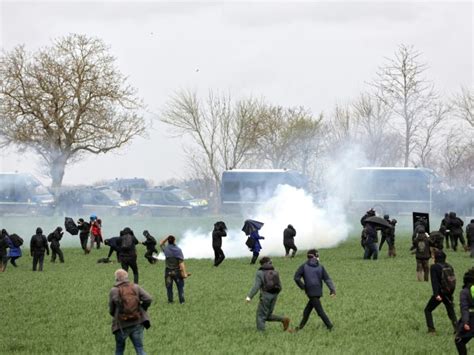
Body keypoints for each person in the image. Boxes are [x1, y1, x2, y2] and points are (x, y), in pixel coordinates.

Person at [109, 269, 152, 355]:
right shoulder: (135, 287)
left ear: (116, 278)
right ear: (127, 277)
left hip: (121, 324)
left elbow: (111, 309)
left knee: (119, 350)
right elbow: (148, 298)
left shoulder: (114, 290)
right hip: (137, 321)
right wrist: (142, 309)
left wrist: (117, 315)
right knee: (140, 349)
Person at [294, 249, 336, 331]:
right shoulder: (320, 267)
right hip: (318, 291)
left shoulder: (303, 266)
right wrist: (332, 290)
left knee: (320, 312)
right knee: (307, 311)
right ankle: (299, 328)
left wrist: (303, 287)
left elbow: (296, 278)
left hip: (310, 291)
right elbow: (327, 279)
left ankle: (330, 327)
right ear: (315, 256)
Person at [245, 256, 290, 332]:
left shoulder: (260, 273)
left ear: (261, 264)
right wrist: (274, 294)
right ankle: (284, 320)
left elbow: (256, 286)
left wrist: (249, 297)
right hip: (275, 295)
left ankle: (261, 334)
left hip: (265, 296)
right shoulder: (275, 271)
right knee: (267, 315)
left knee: (260, 316)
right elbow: (280, 286)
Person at [424, 250, 457, 334]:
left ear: (436, 258)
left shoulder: (434, 267)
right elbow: (452, 281)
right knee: (451, 311)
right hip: (448, 292)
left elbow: (434, 282)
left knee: (427, 310)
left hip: (440, 293)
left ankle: (431, 330)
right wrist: (450, 294)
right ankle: (457, 329)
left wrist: (436, 294)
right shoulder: (449, 266)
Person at [160, 235, 188, 304]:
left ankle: (170, 301)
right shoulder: (178, 250)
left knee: (169, 287)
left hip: (168, 271)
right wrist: (184, 273)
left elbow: (161, 243)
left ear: (168, 241)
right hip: (177, 271)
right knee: (180, 287)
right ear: (174, 241)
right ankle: (182, 301)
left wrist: (167, 238)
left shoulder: (166, 249)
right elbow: (181, 263)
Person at [454, 267, 474, 354]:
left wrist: (465, 322)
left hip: (471, 319)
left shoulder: (464, 291)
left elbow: (464, 308)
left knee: (459, 340)